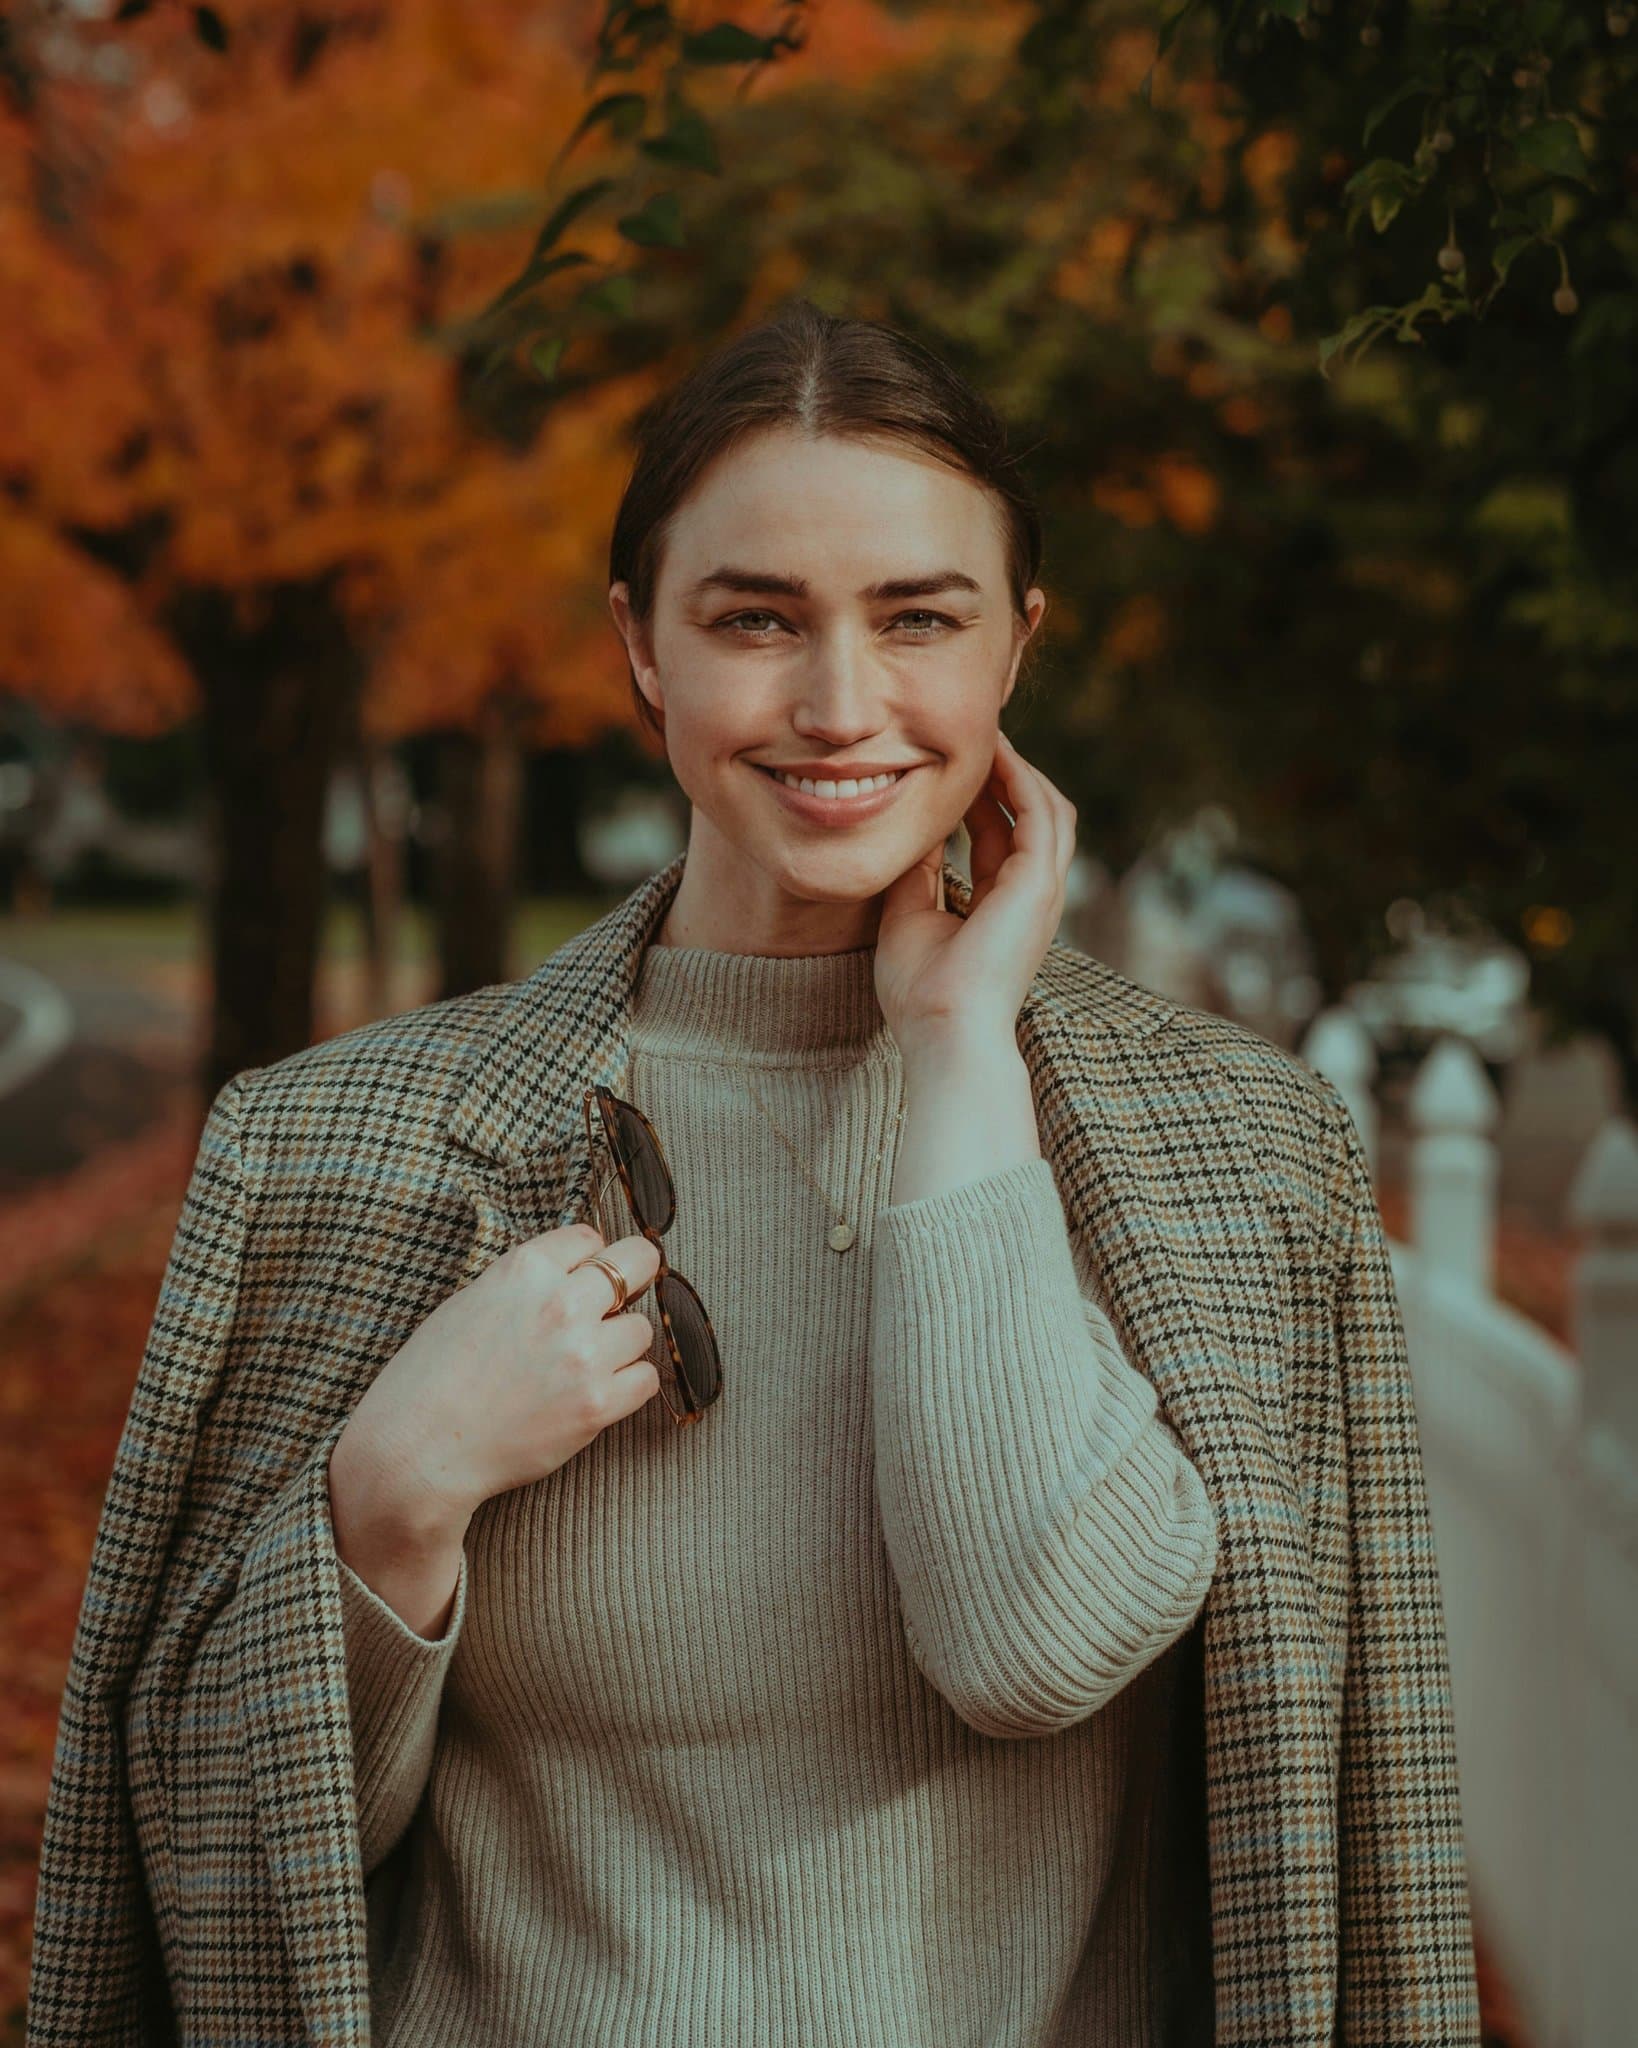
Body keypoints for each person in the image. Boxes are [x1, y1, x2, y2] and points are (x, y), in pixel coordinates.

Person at [27, 299, 1481, 2047]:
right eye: (753, 619)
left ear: (1014, 646)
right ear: (641, 645)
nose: (837, 703)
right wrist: (391, 1504)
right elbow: (202, 1862)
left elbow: (1041, 1648)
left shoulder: (1251, 1161)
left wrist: (952, 1061)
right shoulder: (332, 1151)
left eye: (917, 618)